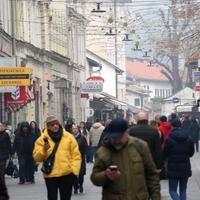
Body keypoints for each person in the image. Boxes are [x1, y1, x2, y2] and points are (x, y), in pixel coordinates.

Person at [91, 118, 161, 200]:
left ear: (127, 132)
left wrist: (156, 197)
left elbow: (152, 175)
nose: (117, 141)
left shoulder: (140, 147)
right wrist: (105, 175)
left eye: (120, 137)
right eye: (113, 138)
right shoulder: (103, 152)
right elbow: (94, 178)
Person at [33, 116, 81, 200]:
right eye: (52, 125)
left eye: (57, 124)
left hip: (67, 174)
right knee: (52, 197)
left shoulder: (69, 137)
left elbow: (76, 155)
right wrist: (43, 150)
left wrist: (74, 171)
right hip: (51, 175)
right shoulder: (42, 139)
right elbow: (37, 158)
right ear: (47, 126)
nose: (55, 126)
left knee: (66, 198)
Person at [164, 118, 194, 200]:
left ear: (172, 127)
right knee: (183, 190)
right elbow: (191, 153)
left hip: (173, 167)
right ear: (180, 125)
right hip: (185, 167)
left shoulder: (169, 139)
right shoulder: (189, 138)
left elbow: (165, 153)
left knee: (172, 190)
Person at [71, 124, 88, 194]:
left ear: (78, 130)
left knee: (81, 174)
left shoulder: (82, 138)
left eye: (75, 128)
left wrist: (86, 155)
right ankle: (75, 187)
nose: (74, 130)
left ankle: (80, 185)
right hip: (72, 158)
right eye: (73, 129)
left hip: (81, 158)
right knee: (73, 173)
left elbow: (86, 147)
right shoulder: (70, 138)